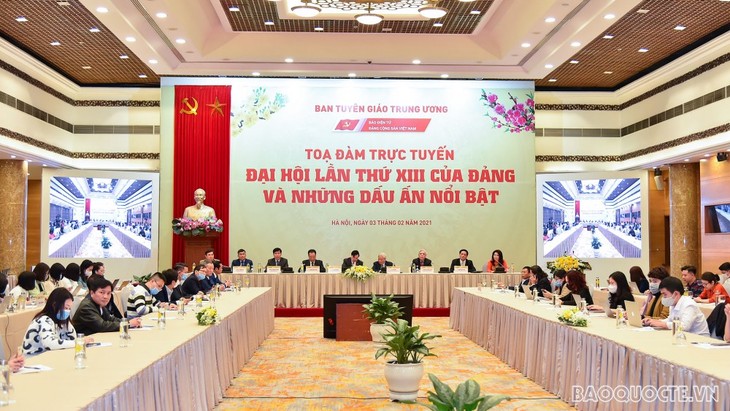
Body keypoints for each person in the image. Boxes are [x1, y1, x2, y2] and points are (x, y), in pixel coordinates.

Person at [22, 288, 93, 355]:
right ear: (55, 305)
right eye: (65, 308)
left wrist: (79, 341)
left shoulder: (63, 321)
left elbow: (72, 338)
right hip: (34, 358)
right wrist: (79, 342)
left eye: (69, 308)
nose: (67, 311)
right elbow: (49, 343)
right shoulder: (44, 320)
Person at [642, 276, 710, 336]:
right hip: (684, 336)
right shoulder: (673, 303)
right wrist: (653, 321)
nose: (663, 297)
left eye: (665, 294)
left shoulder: (689, 305)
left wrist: (662, 324)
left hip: (699, 338)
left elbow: (685, 326)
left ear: (676, 294)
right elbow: (670, 320)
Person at [72, 277, 141, 335]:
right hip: (84, 341)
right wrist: (128, 324)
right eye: (102, 292)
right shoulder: (86, 307)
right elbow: (102, 326)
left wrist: (129, 321)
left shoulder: (98, 303)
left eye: (109, 293)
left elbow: (111, 319)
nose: (106, 296)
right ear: (92, 293)